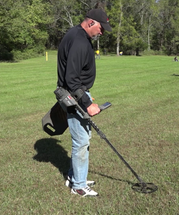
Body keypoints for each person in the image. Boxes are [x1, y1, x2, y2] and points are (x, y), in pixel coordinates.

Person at [56, 8, 112, 197]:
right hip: (73, 96)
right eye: (100, 28)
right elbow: (71, 79)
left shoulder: (76, 34)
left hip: (76, 93)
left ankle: (75, 176)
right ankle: (79, 186)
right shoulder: (79, 41)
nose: (102, 32)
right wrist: (86, 102)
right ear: (90, 23)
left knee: (83, 138)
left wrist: (86, 93)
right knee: (81, 141)